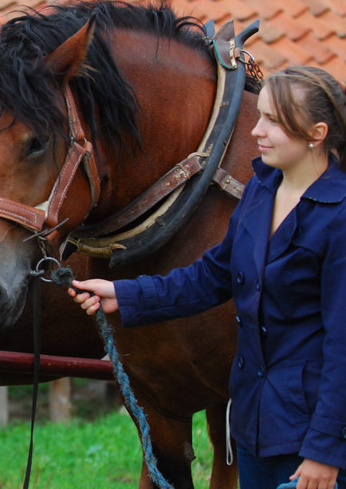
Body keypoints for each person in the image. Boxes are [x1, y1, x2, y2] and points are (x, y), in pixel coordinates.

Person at [70, 66, 346, 489]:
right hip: (255, 423)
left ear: (317, 132)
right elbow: (213, 274)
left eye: (273, 120)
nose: (257, 130)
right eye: (260, 116)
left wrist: (325, 452)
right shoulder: (262, 188)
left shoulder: (340, 215)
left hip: (314, 435)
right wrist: (124, 295)